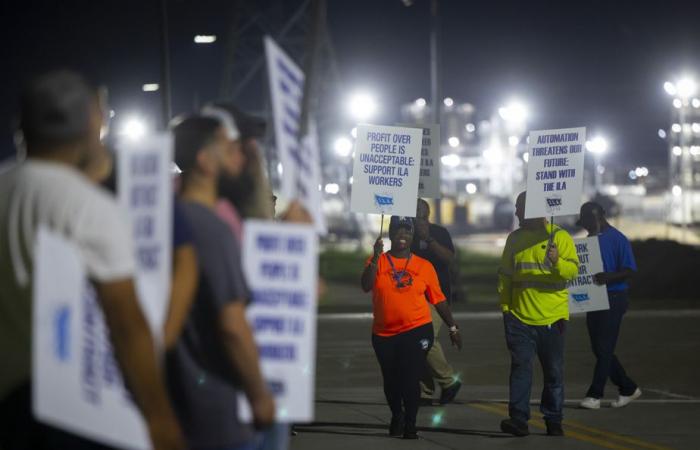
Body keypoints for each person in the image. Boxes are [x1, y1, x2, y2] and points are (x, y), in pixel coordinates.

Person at [0, 70, 184, 450]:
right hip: (68, 415)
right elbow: (126, 323)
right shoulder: (89, 208)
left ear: (21, 127)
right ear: (93, 122)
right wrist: (159, 419)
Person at [169, 115, 275, 450]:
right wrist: (259, 394)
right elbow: (231, 325)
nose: (240, 156)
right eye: (229, 149)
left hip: (181, 401)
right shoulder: (213, 229)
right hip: (217, 411)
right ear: (204, 160)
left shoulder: (174, 217)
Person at [361, 216, 462, 440]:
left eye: (407, 231)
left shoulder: (424, 266)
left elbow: (439, 300)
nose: (403, 235)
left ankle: (410, 424)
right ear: (390, 233)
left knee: (410, 377)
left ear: (413, 234)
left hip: (417, 330)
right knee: (391, 380)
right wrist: (376, 257)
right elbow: (366, 285)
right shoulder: (378, 261)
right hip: (384, 334)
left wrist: (453, 327)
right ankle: (397, 414)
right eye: (398, 230)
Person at [497, 191, 579, 437]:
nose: (516, 213)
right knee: (521, 367)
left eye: (520, 208)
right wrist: (507, 310)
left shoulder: (560, 238)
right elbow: (505, 276)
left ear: (534, 209)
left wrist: (557, 262)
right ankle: (518, 419)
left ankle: (554, 419)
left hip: (552, 319)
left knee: (553, 371)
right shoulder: (514, 239)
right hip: (519, 318)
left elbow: (572, 272)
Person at [576, 202, 642, 409]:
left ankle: (595, 395)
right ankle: (628, 388)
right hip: (595, 298)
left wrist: (610, 277)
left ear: (597, 217)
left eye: (586, 222)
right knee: (600, 348)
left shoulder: (617, 239)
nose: (585, 226)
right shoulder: (589, 240)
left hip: (614, 297)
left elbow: (630, 270)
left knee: (604, 347)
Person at [412, 199, 462, 405]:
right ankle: (425, 391)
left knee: (426, 339)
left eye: (418, 212)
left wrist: (429, 239)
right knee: (416, 344)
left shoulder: (439, 233)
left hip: (436, 296)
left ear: (427, 214)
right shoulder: (407, 234)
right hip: (413, 296)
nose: (415, 216)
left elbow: (449, 259)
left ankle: (448, 381)